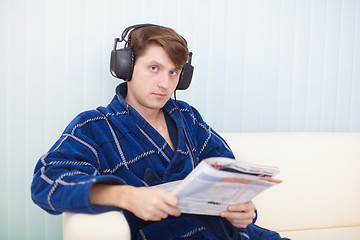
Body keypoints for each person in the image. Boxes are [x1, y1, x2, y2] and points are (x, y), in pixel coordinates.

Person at [31, 24, 288, 240]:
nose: (165, 84)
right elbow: (46, 180)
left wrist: (243, 210)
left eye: (173, 72)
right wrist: (125, 196)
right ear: (126, 66)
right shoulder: (92, 125)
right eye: (154, 68)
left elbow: (229, 174)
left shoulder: (188, 118)